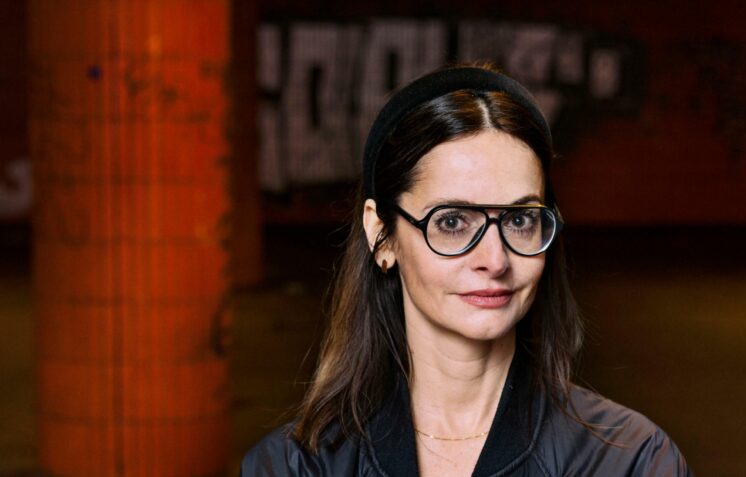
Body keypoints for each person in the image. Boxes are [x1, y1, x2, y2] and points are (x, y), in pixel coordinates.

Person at [241, 65, 693, 476]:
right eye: (453, 222)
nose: (495, 261)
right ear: (382, 236)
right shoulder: (295, 467)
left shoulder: (630, 460)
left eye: (520, 220)